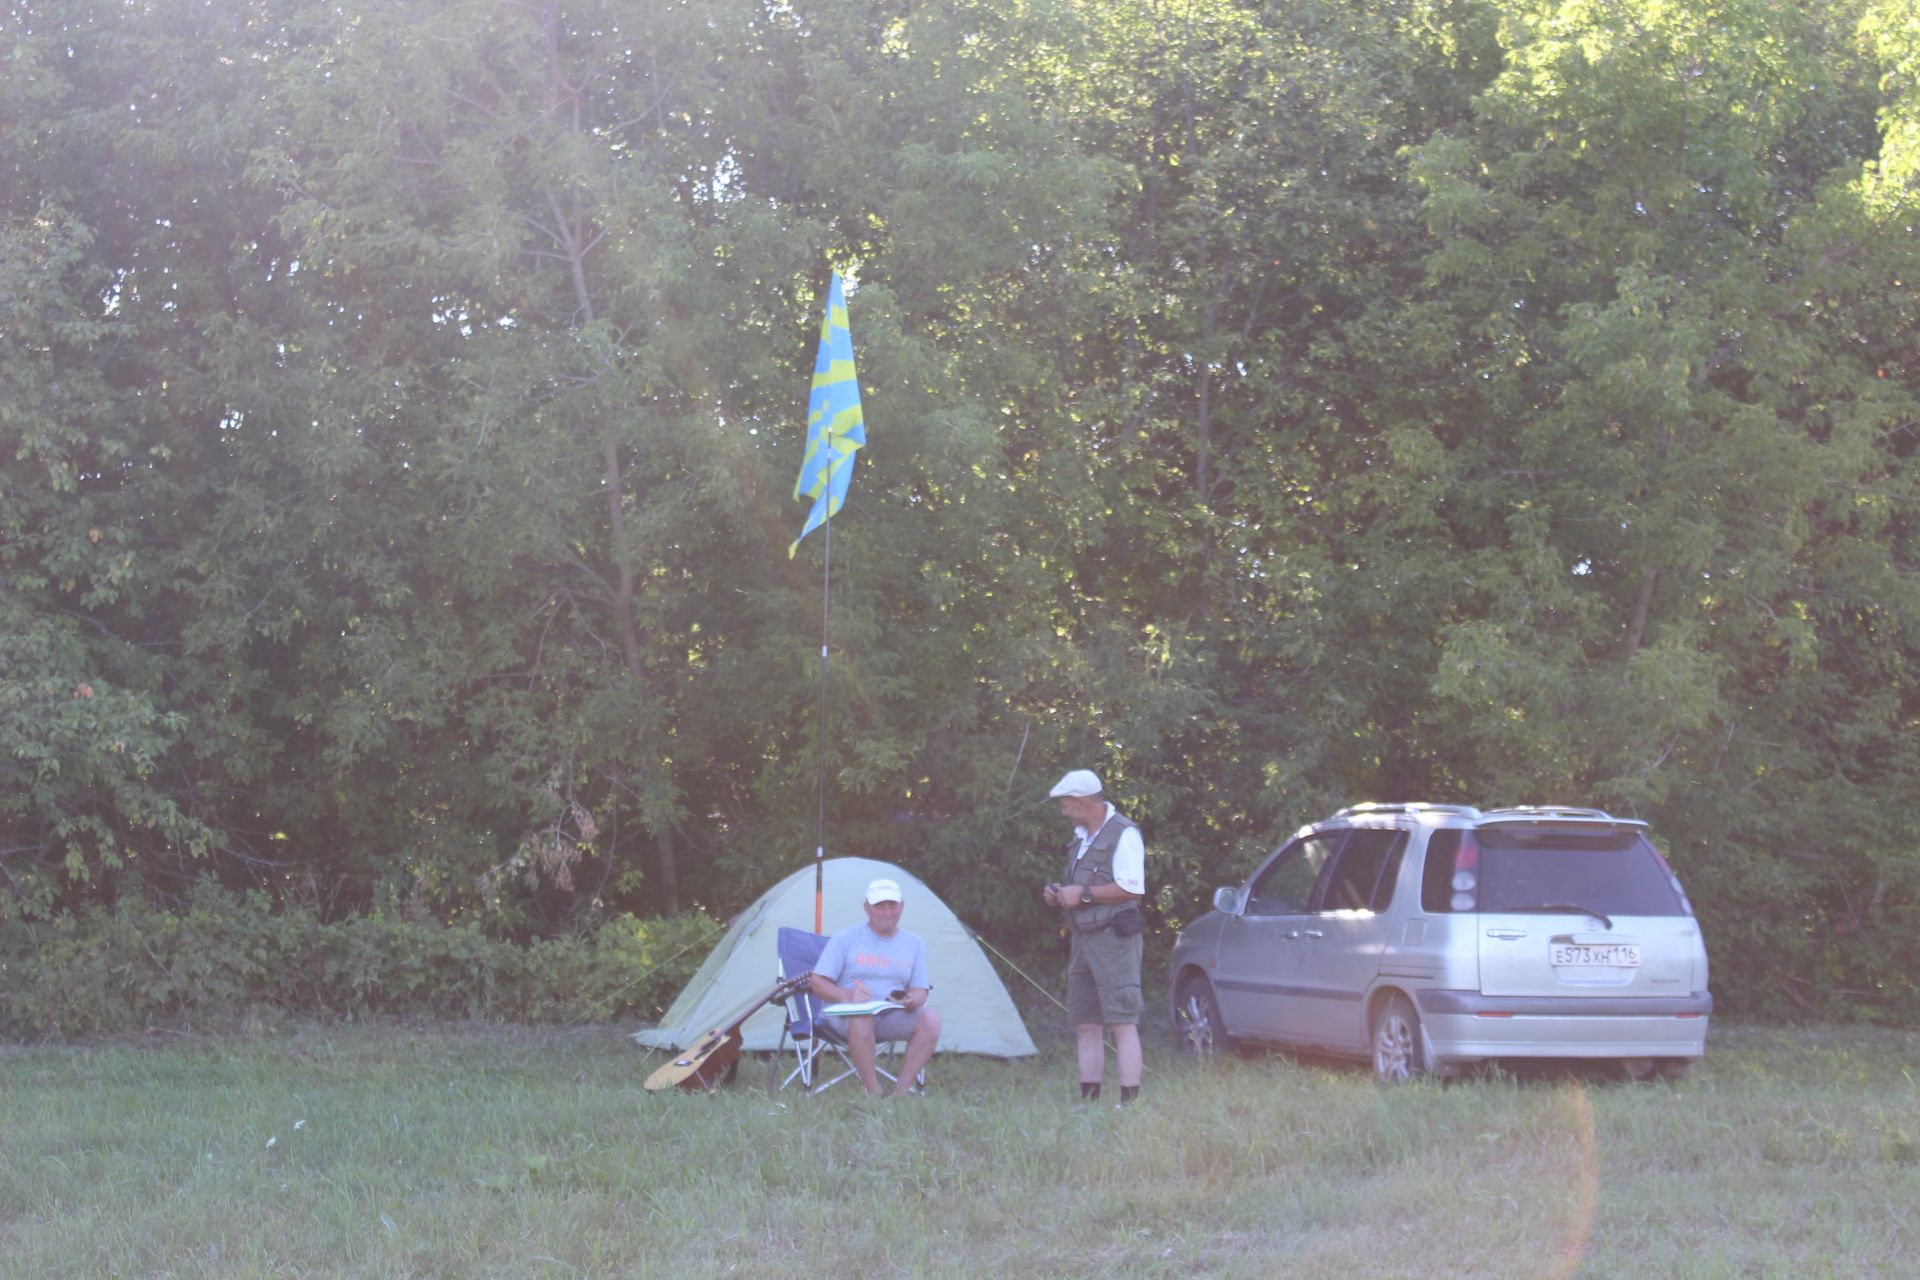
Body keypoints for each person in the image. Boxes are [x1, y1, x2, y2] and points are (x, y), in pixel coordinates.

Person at [1041, 769, 1146, 1103]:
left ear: (1082, 801)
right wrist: (1058, 893)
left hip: (1113, 940)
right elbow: (1082, 886)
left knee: (1121, 1021)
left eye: (1066, 804)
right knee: (1086, 1023)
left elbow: (1132, 888)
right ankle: (1089, 1104)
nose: (1063, 811)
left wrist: (1081, 895)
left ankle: (1129, 1105)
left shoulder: (1124, 833)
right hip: (1082, 939)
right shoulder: (1081, 836)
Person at [809, 878, 942, 1096]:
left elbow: (920, 991)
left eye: (893, 906)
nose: (887, 912)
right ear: (866, 908)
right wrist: (847, 994)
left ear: (902, 906)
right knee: (862, 1015)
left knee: (931, 1019)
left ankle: (901, 1091)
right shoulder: (846, 938)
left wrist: (911, 1000)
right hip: (845, 1017)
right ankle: (873, 1091)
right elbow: (817, 983)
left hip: (890, 1014)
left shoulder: (914, 943)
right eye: (879, 906)